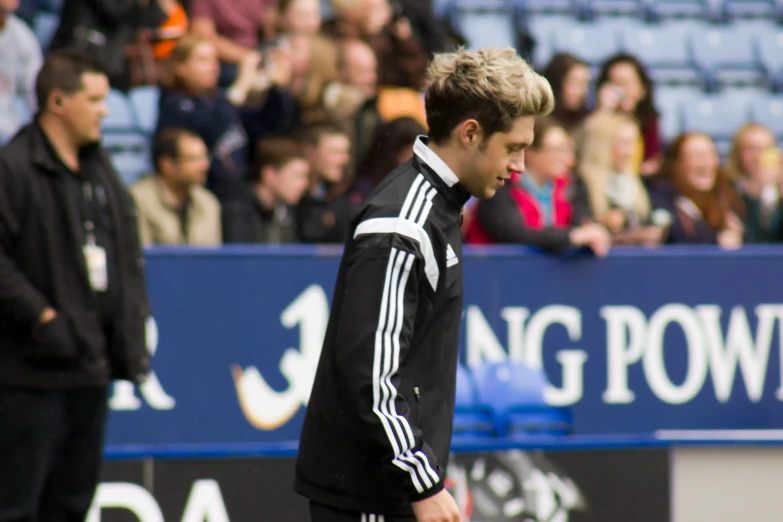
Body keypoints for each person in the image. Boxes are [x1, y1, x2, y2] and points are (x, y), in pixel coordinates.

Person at [294, 46, 554, 522]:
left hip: (386, 486)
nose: (519, 167)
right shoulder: (403, 223)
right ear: (470, 133)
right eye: (513, 147)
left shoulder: (438, 206)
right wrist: (422, 483)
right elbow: (372, 377)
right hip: (370, 494)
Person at [0, 50, 151, 521]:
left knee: (71, 505)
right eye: (95, 99)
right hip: (29, 374)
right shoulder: (14, 167)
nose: (105, 110)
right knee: (17, 506)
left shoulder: (101, 170)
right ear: (58, 101)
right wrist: (43, 317)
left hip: (90, 366)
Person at [130, 128, 222, 247]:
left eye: (205, 157)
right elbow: (141, 257)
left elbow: (215, 260)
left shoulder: (209, 203)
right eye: (193, 159)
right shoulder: (138, 200)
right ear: (167, 165)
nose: (205, 165)